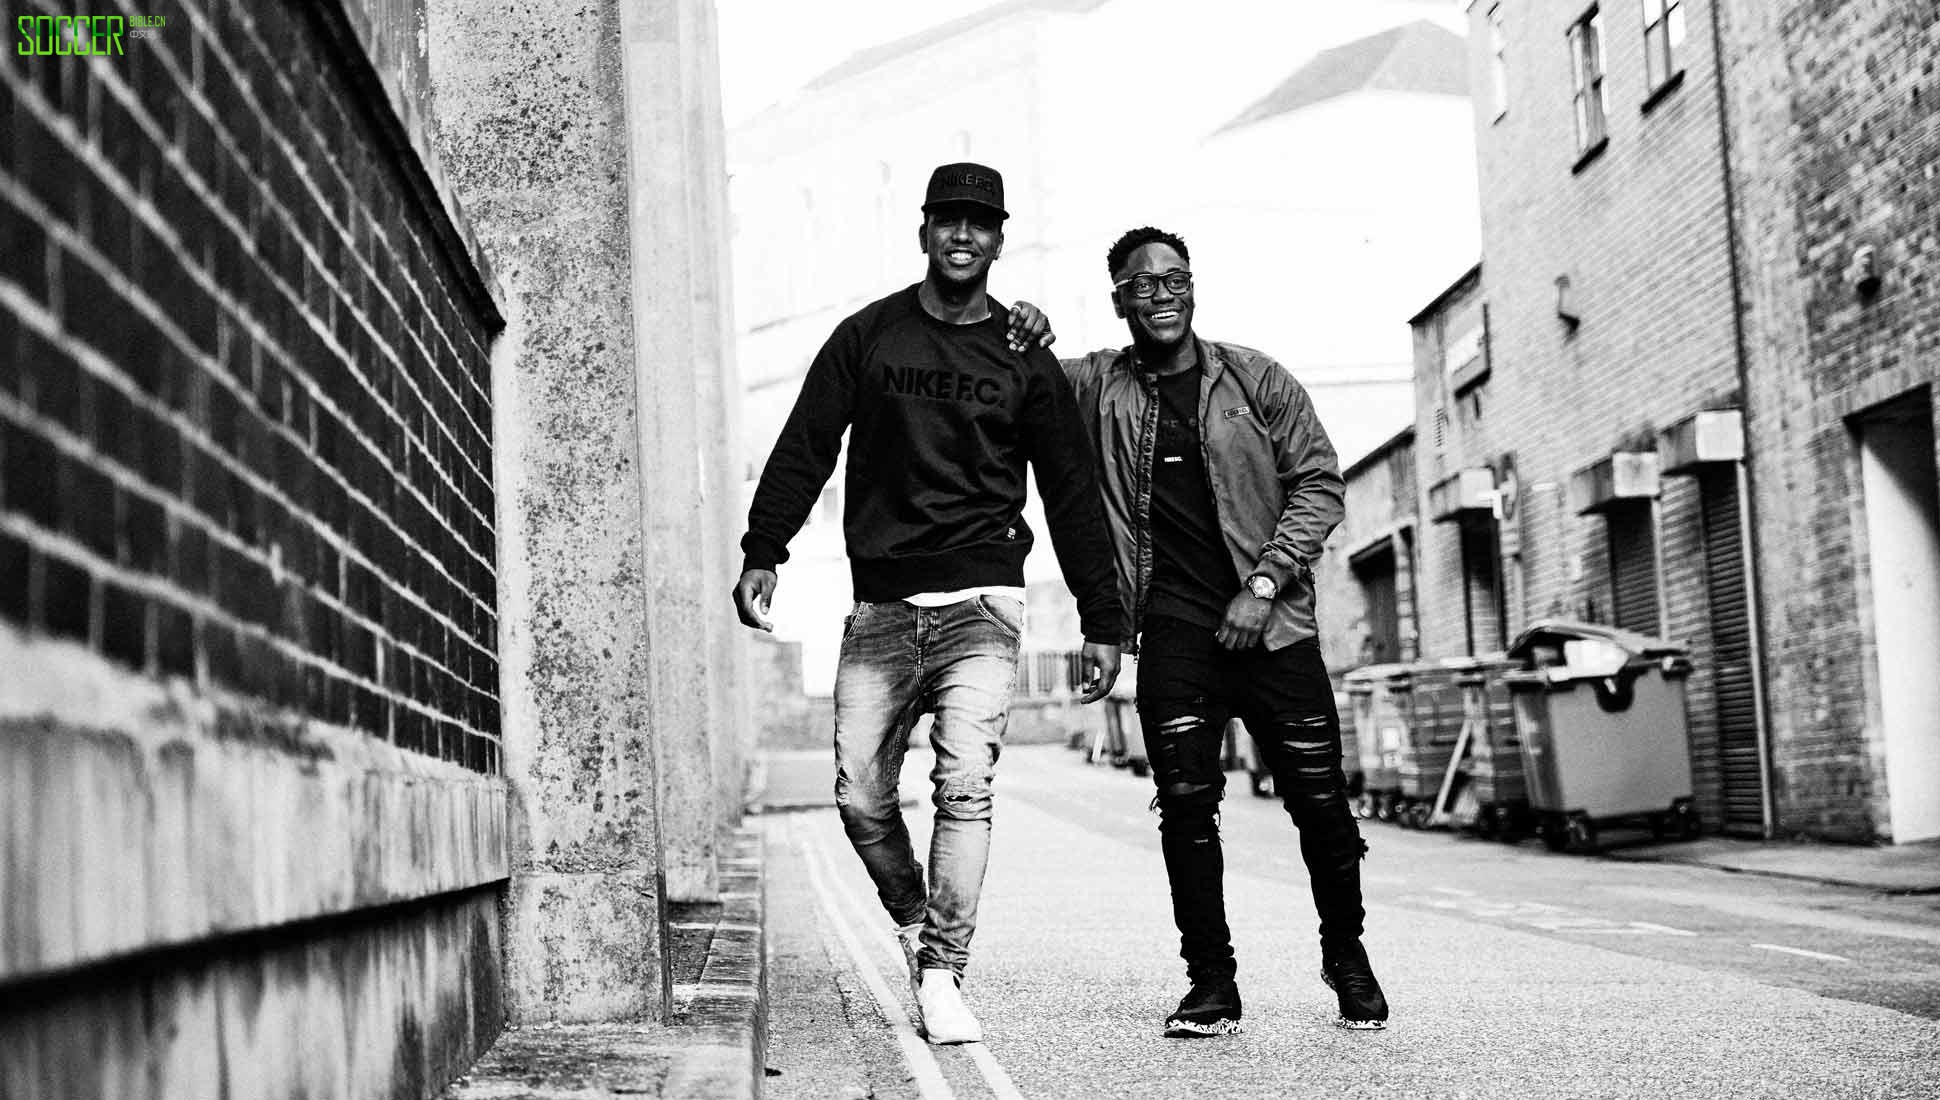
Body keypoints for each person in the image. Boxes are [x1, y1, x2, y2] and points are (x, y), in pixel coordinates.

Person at [733, 163, 1123, 1045]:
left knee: (965, 784)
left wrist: (1102, 619)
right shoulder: (869, 336)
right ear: (924, 233)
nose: (962, 235)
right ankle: (915, 922)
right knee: (860, 797)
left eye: (979, 223)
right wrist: (765, 549)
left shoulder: (1024, 355)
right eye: (948, 219)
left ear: (998, 240)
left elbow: (1070, 491)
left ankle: (944, 970)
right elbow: (806, 444)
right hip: (883, 607)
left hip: (984, 603)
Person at [1062, 226, 1388, 1036]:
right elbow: (1010, 374)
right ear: (1119, 300)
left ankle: (1346, 953)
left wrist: (1265, 581)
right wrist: (1020, 323)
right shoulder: (1097, 386)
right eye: (1143, 284)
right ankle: (1212, 981)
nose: (1162, 294)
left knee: (1322, 805)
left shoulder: (1256, 377)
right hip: (1174, 631)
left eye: (1175, 279)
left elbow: (1319, 482)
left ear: (1193, 287)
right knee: (1185, 807)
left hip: (1275, 629)